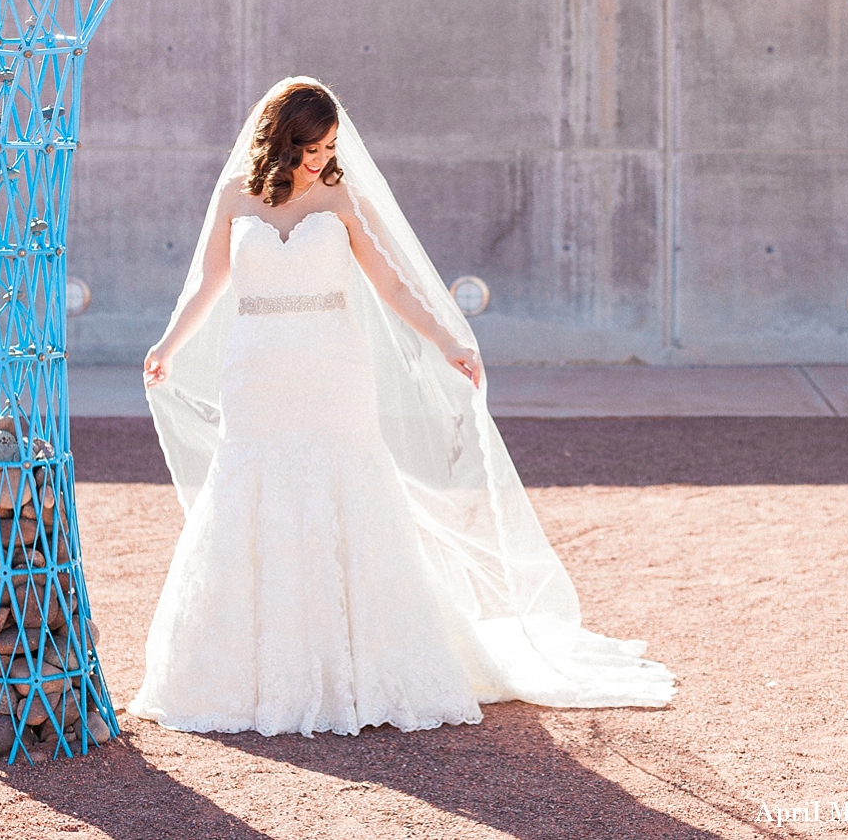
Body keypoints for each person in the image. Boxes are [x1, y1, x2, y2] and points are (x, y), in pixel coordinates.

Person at [131, 77, 674, 737]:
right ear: (280, 140)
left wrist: (447, 339)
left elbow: (387, 279)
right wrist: (167, 342)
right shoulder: (233, 196)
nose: (321, 158)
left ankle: (364, 667)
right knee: (251, 490)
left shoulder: (338, 192)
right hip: (257, 370)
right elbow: (210, 283)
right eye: (310, 146)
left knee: (345, 489)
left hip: (334, 369)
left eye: (329, 144)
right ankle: (251, 673)